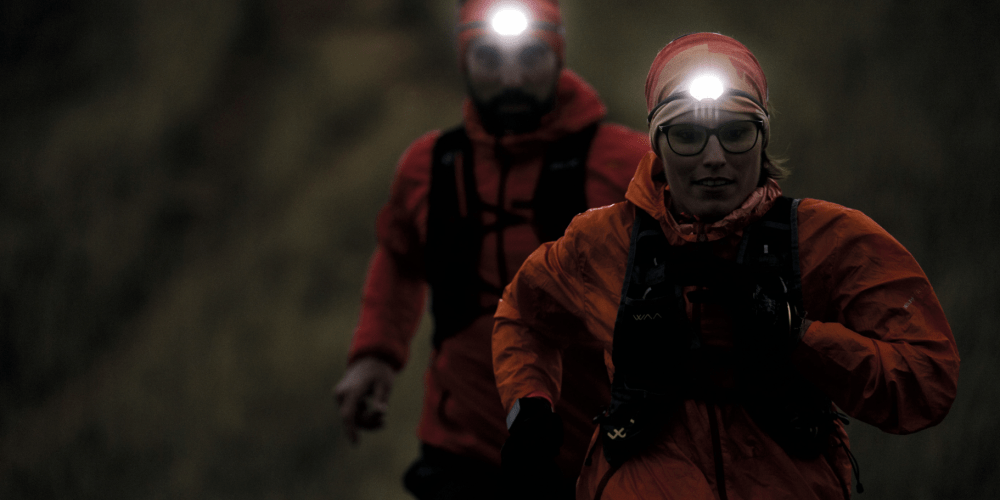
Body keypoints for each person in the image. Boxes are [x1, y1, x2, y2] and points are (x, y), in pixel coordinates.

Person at [493, 32, 960, 500]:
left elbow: (927, 381)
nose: (713, 158)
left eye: (735, 133)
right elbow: (521, 315)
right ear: (656, 143)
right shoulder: (601, 243)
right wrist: (529, 411)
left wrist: (795, 333)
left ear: (762, 138)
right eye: (688, 135)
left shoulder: (828, 240)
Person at [333, 1, 650, 498]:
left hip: (595, 456)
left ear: (558, 57)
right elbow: (399, 257)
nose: (511, 78)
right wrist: (374, 354)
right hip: (461, 452)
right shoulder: (429, 167)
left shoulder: (625, 164)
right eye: (489, 59)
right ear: (463, 62)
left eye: (530, 57)